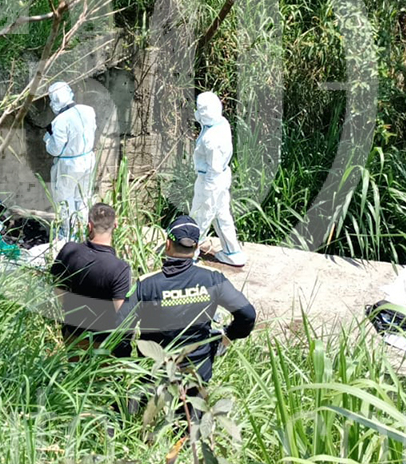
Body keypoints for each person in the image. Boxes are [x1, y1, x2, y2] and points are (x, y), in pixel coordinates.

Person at [115, 216, 256, 386]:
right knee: (193, 413)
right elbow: (247, 314)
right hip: (197, 374)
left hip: (154, 373)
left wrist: (127, 363)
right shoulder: (213, 279)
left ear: (167, 245)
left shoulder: (146, 285)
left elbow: (121, 328)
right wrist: (226, 336)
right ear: (196, 247)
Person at [49, 203, 132, 348]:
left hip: (73, 335)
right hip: (103, 344)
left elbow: (58, 290)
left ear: (89, 226)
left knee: (73, 370)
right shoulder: (119, 268)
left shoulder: (69, 250)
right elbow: (122, 313)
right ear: (115, 225)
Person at [190, 91, 247, 266]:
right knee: (222, 215)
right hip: (222, 176)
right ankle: (232, 252)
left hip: (210, 180)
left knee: (200, 217)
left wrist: (207, 191)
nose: (199, 113)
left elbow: (213, 168)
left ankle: (188, 256)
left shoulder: (211, 140)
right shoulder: (221, 123)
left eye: (201, 110)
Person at [43, 81, 97, 241]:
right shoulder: (88, 110)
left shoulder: (59, 121)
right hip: (88, 158)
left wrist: (47, 138)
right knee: (83, 197)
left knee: (65, 199)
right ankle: (83, 230)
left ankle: (67, 234)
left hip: (69, 164)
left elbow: (55, 149)